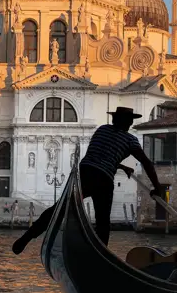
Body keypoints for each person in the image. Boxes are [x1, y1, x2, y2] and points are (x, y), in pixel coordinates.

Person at [12, 106, 163, 253]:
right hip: (103, 179)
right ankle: (100, 253)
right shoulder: (130, 140)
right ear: (128, 123)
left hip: (85, 173)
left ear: (114, 119)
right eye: (130, 121)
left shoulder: (102, 129)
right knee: (103, 223)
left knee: (60, 208)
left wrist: (121, 167)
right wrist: (157, 187)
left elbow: (102, 155)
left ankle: (26, 238)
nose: (131, 124)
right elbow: (146, 163)